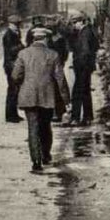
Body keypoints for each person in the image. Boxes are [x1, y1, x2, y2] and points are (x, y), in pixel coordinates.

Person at [12, 27, 71, 174]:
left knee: (33, 128)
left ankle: (36, 162)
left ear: (33, 39)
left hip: (28, 96)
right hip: (47, 96)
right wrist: (66, 99)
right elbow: (60, 79)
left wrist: (24, 85)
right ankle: (46, 155)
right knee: (45, 126)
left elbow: (15, 76)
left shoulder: (23, 54)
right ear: (45, 39)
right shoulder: (53, 55)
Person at [68, 17, 99, 126]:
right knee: (85, 91)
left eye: (75, 22)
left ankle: (75, 117)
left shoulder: (84, 33)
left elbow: (85, 51)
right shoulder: (88, 31)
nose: (74, 25)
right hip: (86, 67)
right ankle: (87, 116)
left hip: (82, 67)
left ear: (81, 22)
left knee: (77, 92)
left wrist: (79, 63)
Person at [2, 14, 24, 122]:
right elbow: (11, 50)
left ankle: (13, 113)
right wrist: (21, 47)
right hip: (11, 65)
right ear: (10, 24)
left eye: (18, 24)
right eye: (16, 24)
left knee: (15, 90)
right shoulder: (8, 35)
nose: (17, 26)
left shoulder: (14, 33)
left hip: (13, 64)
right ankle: (10, 115)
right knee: (12, 90)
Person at [48, 21, 69, 121]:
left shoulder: (57, 39)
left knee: (58, 89)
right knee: (57, 89)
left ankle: (59, 112)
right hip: (54, 66)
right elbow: (65, 52)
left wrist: (61, 62)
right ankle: (57, 112)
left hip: (56, 66)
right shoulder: (57, 39)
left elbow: (64, 52)